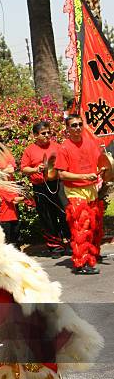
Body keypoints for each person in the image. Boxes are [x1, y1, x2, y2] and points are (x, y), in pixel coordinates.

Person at [55, 114, 103, 274]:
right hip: (75, 190)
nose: (77, 128)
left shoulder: (89, 143)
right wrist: (83, 176)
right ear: (67, 129)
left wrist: (103, 170)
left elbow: (99, 163)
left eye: (79, 124)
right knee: (81, 227)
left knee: (94, 225)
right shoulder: (64, 148)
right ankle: (81, 263)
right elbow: (61, 174)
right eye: (73, 125)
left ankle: (92, 255)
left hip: (91, 189)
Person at [21, 121, 70, 255]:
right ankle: (55, 246)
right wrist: (36, 169)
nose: (47, 135)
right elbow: (24, 168)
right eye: (43, 133)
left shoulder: (57, 147)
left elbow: (66, 163)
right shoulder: (29, 150)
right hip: (41, 187)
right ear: (35, 135)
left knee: (65, 212)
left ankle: (70, 242)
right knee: (48, 216)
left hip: (58, 184)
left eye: (49, 132)